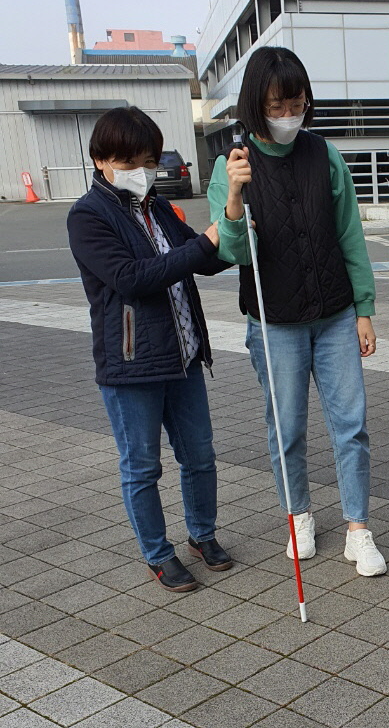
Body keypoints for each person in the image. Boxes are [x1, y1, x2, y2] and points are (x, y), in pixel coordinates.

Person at [208, 46, 386, 577]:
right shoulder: (230, 166)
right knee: (285, 427)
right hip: (274, 322)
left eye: (297, 102)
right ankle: (299, 515)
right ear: (255, 105)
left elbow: (349, 233)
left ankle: (358, 527)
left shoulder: (323, 154)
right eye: (276, 104)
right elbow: (231, 253)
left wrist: (364, 308)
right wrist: (236, 200)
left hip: (333, 314)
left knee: (350, 424)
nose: (288, 113)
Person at [67, 107, 232, 593]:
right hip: (131, 365)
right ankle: (158, 554)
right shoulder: (87, 216)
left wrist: (233, 228)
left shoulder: (157, 206)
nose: (141, 170)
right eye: (129, 160)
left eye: (148, 160)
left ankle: (202, 535)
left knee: (200, 456)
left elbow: (204, 261)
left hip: (182, 356)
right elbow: (131, 280)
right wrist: (206, 242)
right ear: (101, 160)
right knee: (142, 466)